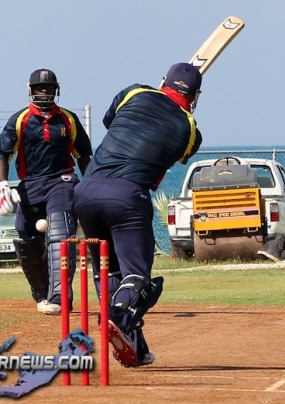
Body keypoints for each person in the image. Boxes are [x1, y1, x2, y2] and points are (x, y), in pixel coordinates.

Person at [73, 63, 203, 367]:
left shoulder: (134, 92)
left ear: (162, 81)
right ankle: (117, 317)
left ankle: (136, 346)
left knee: (108, 272)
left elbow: (110, 121)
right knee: (138, 278)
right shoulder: (190, 130)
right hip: (127, 196)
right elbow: (180, 154)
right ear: (196, 96)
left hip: (86, 191)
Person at [0, 68, 92, 315]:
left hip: (61, 181)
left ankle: (59, 297)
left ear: (56, 90)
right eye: (39, 88)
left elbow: (83, 155)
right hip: (30, 184)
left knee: (59, 233)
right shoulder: (20, 119)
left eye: (49, 88)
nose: (44, 91)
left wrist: (90, 183)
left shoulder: (67, 119)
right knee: (24, 235)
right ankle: (43, 293)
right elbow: (3, 154)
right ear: (31, 90)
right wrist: (3, 185)